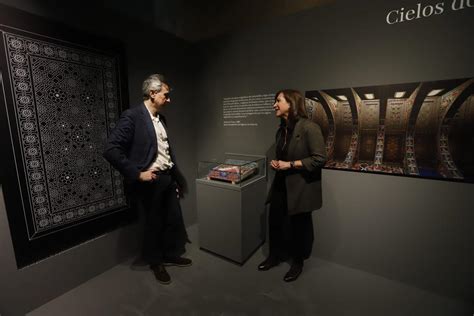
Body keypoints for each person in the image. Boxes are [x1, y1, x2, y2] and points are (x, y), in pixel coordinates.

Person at [103, 74, 191, 285]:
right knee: (154, 222)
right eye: (165, 95)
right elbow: (110, 149)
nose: (169, 100)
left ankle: (169, 254)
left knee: (172, 219)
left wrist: (176, 179)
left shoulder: (162, 119)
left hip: (167, 178)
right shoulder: (132, 116)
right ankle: (155, 262)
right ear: (152, 93)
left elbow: (166, 153)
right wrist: (137, 173)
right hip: (150, 180)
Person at [258, 89, 327, 282]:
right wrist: (277, 163)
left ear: (291, 103)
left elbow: (319, 158)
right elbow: (283, 155)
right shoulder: (281, 130)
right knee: (275, 220)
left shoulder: (309, 128)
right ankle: (274, 257)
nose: (274, 105)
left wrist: (290, 164)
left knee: (299, 226)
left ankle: (297, 263)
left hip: (301, 187)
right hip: (281, 183)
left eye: (278, 100)